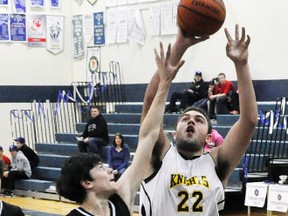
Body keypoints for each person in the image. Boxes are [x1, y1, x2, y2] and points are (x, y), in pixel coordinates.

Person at [139, 25, 258, 215]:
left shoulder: (217, 161)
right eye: (185, 118)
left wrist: (241, 65)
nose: (191, 121)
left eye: (199, 120)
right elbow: (150, 103)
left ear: (209, 137)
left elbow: (249, 121)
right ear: (174, 134)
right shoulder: (160, 154)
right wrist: (180, 45)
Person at [56, 43, 184, 215]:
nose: (109, 169)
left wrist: (165, 84)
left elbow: (148, 136)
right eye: (100, 167)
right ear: (87, 183)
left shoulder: (120, 199)